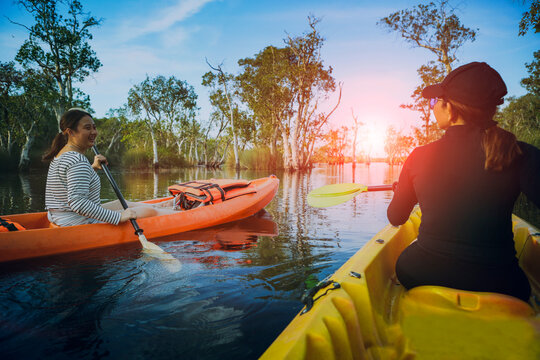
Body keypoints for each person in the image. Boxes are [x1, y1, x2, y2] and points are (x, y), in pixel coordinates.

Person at [387, 62, 540, 302]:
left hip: (420, 273)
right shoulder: (521, 154)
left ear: (451, 109)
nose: (433, 107)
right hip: (503, 284)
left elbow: (395, 217)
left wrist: (403, 190)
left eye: (434, 101)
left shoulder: (419, 156)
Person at [43, 108, 173, 227]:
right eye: (87, 128)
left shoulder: (62, 155)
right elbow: (79, 204)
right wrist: (119, 217)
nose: (94, 132)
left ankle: (161, 206)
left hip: (60, 217)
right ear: (70, 132)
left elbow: (69, 181)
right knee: (148, 211)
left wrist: (92, 167)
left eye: (94, 127)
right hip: (78, 221)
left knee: (121, 202)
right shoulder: (77, 160)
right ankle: (171, 213)